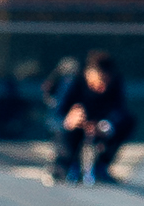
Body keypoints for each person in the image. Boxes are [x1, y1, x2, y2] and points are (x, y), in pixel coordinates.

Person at [52, 49, 134, 185]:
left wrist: (105, 126)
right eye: (100, 81)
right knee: (65, 132)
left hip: (98, 128)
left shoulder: (116, 82)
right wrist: (68, 121)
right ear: (88, 73)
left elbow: (121, 112)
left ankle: (100, 167)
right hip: (74, 131)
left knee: (128, 122)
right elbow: (53, 117)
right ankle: (66, 166)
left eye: (107, 82)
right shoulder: (72, 82)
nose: (103, 88)